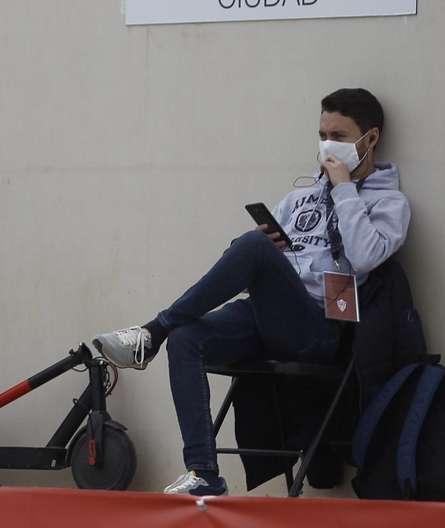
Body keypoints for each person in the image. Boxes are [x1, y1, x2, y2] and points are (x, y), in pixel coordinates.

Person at [93, 88, 410, 497]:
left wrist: (344, 189)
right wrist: (272, 251)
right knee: (189, 337)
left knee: (251, 247)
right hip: (267, 315)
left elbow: (366, 257)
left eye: (340, 135)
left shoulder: (390, 202)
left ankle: (152, 331)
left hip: (320, 326)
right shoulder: (299, 198)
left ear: (371, 138)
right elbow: (254, 260)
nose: (328, 145)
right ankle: (203, 471)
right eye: (322, 133)